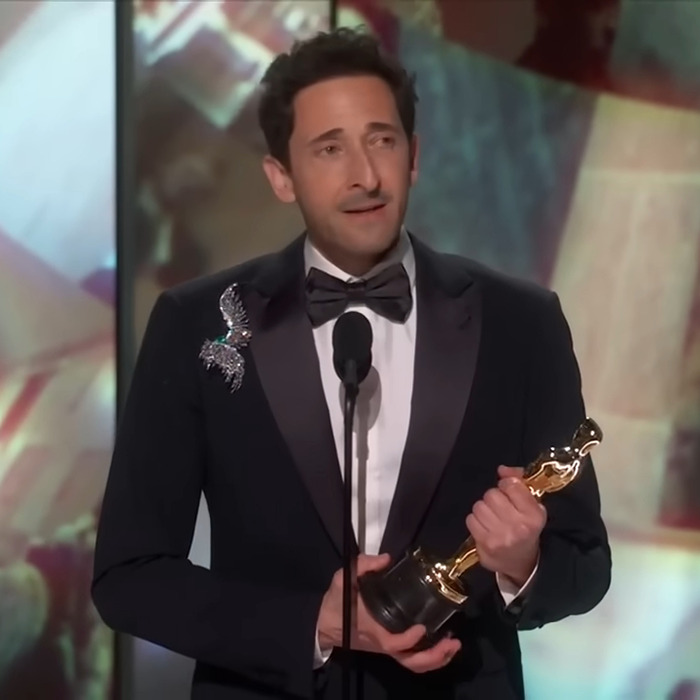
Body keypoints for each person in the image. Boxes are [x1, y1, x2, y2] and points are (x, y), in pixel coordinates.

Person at [92, 27, 611, 699]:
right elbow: (129, 578)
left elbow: (586, 567)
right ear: (281, 175)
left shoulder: (521, 322)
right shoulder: (196, 321)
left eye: (382, 141)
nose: (364, 175)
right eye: (329, 148)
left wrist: (525, 563)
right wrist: (320, 623)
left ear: (415, 155)